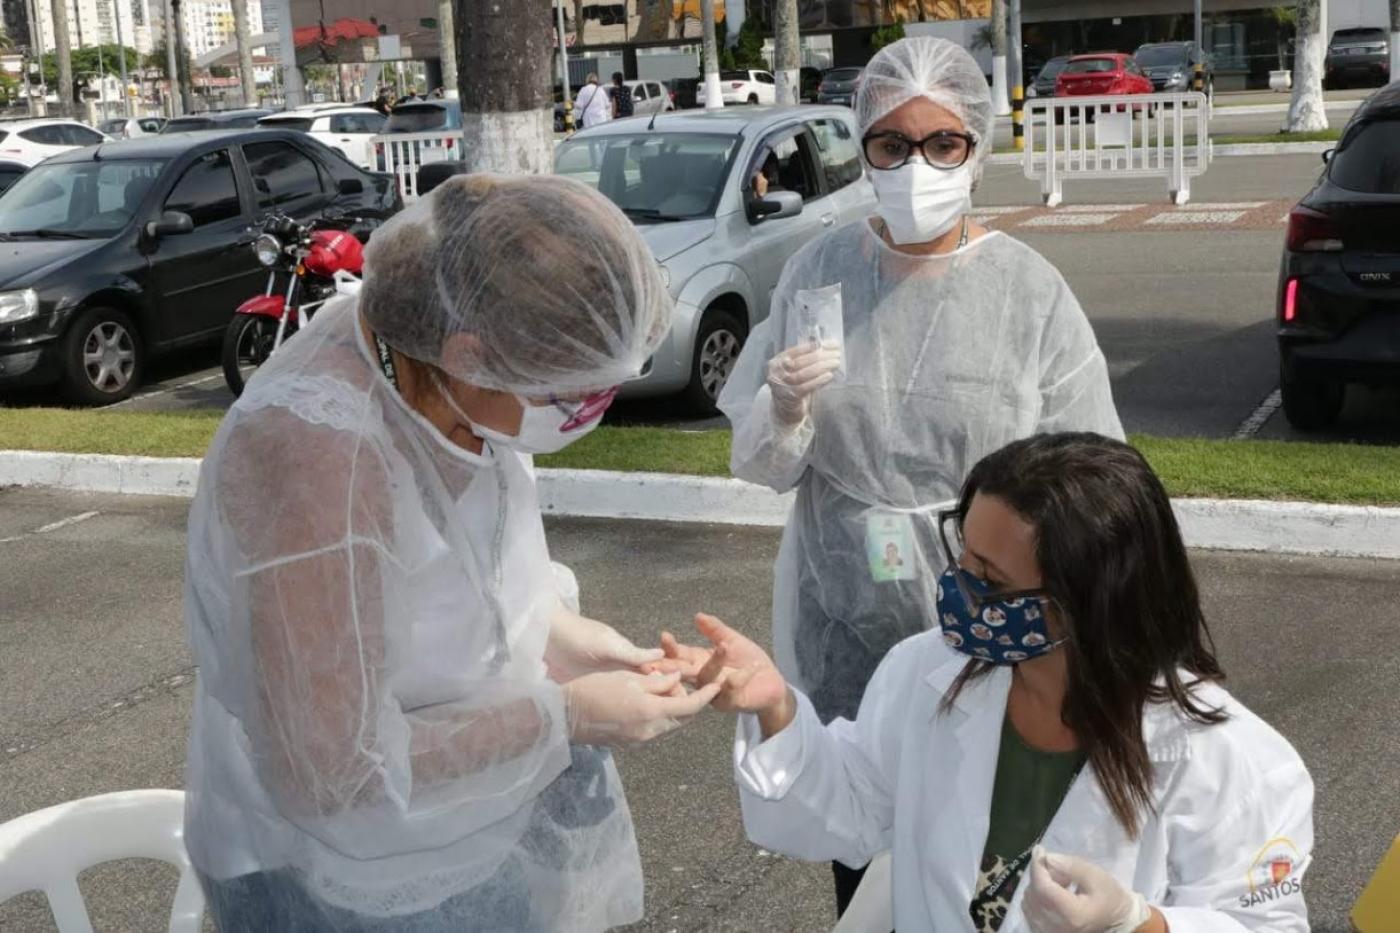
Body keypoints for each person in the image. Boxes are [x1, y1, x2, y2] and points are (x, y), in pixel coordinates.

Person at [183, 173, 719, 932]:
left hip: (464, 828)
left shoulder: (450, 377)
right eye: (571, 395)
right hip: (346, 880)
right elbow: (333, 769)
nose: (582, 416)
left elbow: (475, 581)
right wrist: (565, 715)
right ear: (468, 354)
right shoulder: (320, 462)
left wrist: (583, 649)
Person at [716, 35, 1124, 913]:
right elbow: (762, 464)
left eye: (943, 144)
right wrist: (782, 411)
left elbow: (1097, 480)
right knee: (864, 837)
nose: (916, 166)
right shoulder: (817, 273)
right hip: (848, 627)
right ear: (862, 146)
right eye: (892, 145)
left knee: (990, 855)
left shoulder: (1030, 291)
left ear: (977, 148)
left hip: (1006, 630)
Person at [668, 433, 1315, 932]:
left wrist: (1136, 921)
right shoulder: (927, 672)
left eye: (991, 580)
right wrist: (777, 706)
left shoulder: (1232, 760)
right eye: (962, 558)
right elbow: (855, 806)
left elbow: (1263, 924)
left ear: (1090, 600)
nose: (959, 591)